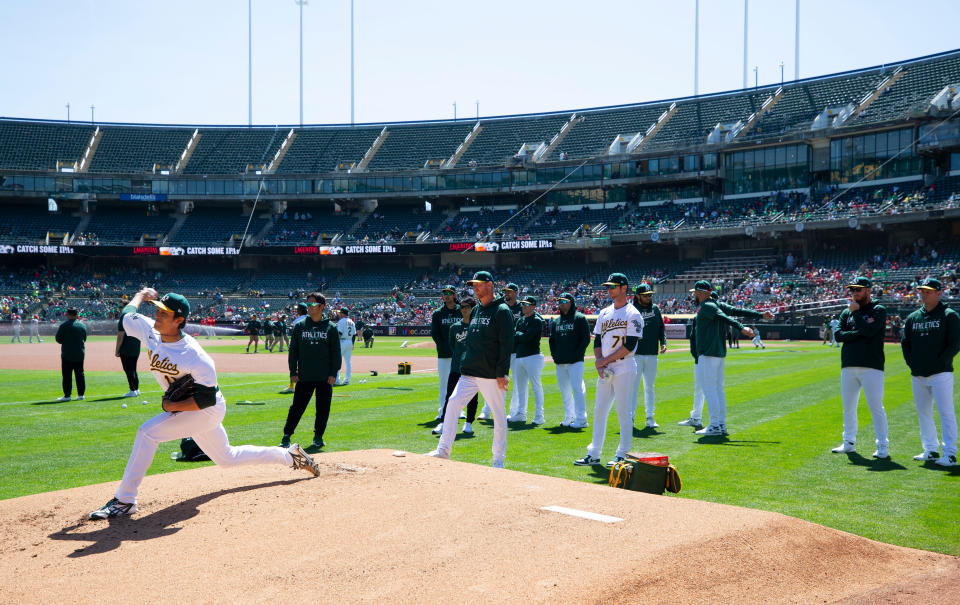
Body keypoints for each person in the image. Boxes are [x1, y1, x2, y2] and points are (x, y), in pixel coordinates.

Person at [88, 288, 320, 520]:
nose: (157, 315)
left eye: (164, 313)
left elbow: (206, 398)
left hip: (206, 410)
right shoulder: (150, 330)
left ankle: (125, 499)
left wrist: (171, 407)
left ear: (179, 320)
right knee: (228, 458)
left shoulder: (194, 356)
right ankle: (290, 456)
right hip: (192, 409)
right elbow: (127, 315)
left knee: (147, 433)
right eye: (158, 310)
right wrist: (140, 295)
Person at [426, 271, 513, 468]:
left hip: (491, 374)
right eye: (473, 284)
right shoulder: (476, 310)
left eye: (479, 284)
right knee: (453, 403)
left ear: (489, 285)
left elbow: (507, 344)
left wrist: (502, 372)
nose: (475, 287)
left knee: (499, 416)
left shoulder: (501, 311)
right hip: (470, 371)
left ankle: (498, 460)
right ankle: (443, 450)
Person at [573, 273, 644, 468]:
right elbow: (597, 340)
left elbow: (629, 345)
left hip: (625, 365)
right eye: (608, 287)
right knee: (599, 410)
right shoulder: (604, 313)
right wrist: (599, 362)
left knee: (624, 411)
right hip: (606, 367)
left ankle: (623, 453)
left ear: (624, 288)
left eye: (613, 286)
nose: (609, 290)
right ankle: (594, 453)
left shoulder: (633, 313)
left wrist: (603, 360)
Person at [830, 277, 891, 459]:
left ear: (868, 291)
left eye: (859, 289)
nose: (855, 293)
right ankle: (848, 442)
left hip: (872, 366)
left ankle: (882, 446)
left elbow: (871, 332)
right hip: (849, 365)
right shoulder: (846, 312)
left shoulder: (878, 310)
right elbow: (839, 335)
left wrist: (857, 315)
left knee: (875, 407)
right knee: (848, 407)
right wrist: (859, 333)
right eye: (853, 290)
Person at [901, 277, 959, 467]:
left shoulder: (949, 315)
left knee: (946, 413)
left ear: (939, 293)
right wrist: (912, 364)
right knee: (923, 413)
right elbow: (905, 343)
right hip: (917, 374)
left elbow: (956, 342)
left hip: (940, 374)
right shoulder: (913, 317)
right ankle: (931, 449)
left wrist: (941, 361)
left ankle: (950, 454)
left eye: (928, 291)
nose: (923, 294)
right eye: (922, 291)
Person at [690, 281, 756, 437]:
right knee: (718, 390)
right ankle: (721, 424)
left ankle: (714, 425)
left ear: (701, 293)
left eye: (696, 292)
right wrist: (760, 315)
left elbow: (726, 317)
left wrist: (741, 327)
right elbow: (736, 311)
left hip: (708, 353)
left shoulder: (707, 306)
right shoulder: (716, 304)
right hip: (719, 354)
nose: (694, 295)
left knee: (710, 389)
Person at [282, 292, 342, 449]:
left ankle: (318, 436)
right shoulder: (300, 326)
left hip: (324, 377)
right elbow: (293, 351)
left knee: (323, 409)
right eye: (307, 304)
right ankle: (287, 435)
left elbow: (336, 353)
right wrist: (292, 372)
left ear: (321, 306)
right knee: (297, 408)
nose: (308, 307)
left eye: (312, 304)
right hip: (304, 376)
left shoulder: (331, 328)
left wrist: (333, 373)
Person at [432, 295, 479, 435]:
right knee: (450, 396)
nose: (463, 309)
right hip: (456, 366)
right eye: (462, 307)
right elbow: (453, 346)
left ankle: (469, 423)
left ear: (473, 308)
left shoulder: (477, 327)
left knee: (472, 397)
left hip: (473, 367)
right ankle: (443, 423)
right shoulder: (455, 327)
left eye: (466, 307)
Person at [480, 282, 523, 421]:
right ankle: (486, 411)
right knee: (491, 380)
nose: (507, 294)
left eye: (510, 291)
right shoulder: (499, 307)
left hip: (516, 350)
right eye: (505, 292)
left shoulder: (522, 308)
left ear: (516, 293)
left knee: (515, 382)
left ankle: (513, 412)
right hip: (499, 350)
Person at [548, 292, 591, 428]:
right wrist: (555, 356)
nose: (561, 303)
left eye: (565, 301)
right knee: (565, 391)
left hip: (575, 362)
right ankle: (569, 417)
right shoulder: (556, 321)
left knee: (578, 389)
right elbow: (552, 341)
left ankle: (581, 419)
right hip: (560, 362)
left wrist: (577, 354)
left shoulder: (579, 318)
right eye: (560, 301)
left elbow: (585, 339)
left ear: (571, 302)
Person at [629, 283, 667, 429]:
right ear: (638, 296)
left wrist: (663, 342)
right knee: (633, 388)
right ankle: (630, 418)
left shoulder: (655, 309)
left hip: (652, 354)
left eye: (650, 295)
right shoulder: (632, 310)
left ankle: (650, 418)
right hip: (635, 355)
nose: (648, 297)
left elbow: (661, 328)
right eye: (645, 295)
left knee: (650, 387)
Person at [508, 296, 546, 424]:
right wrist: (520, 335)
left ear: (533, 306)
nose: (523, 306)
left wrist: (519, 335)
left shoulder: (536, 320)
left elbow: (526, 337)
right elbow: (516, 337)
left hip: (532, 356)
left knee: (536, 386)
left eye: (527, 304)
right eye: (523, 304)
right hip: (520, 356)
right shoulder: (521, 321)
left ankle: (539, 416)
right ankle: (521, 414)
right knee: (520, 387)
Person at [431, 286, 461, 420]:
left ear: (455, 295)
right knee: (444, 383)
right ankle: (443, 410)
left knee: (460, 383)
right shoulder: (438, 313)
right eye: (445, 293)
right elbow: (434, 333)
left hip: (459, 354)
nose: (447, 296)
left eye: (449, 293)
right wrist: (442, 346)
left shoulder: (462, 310)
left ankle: (459, 410)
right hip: (444, 354)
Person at [55, 308, 87, 402]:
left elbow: (58, 339)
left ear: (68, 314)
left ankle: (67, 395)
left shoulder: (64, 325)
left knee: (67, 375)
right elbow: (84, 339)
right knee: (80, 374)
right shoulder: (82, 325)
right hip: (80, 353)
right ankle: (81, 395)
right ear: (76, 314)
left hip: (67, 354)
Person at [281, 303, 309, 393]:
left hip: (300, 346)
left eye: (298, 309)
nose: (297, 311)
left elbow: (295, 335)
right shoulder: (311, 319)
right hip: (310, 346)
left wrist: (292, 346)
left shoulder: (298, 320)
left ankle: (291, 386)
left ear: (300, 310)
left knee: (294, 366)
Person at [116, 309, 141, 398]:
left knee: (128, 370)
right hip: (136, 348)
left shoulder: (124, 318)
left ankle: (132, 390)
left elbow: (120, 336)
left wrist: (117, 350)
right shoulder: (137, 318)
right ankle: (136, 389)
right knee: (133, 369)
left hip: (126, 349)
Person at [335, 308, 356, 385]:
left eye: (340, 313)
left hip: (342, 341)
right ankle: (347, 380)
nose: (339, 314)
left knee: (337, 360)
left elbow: (339, 333)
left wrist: (335, 342)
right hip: (349, 341)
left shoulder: (341, 321)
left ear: (343, 313)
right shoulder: (352, 322)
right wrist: (352, 344)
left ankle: (337, 380)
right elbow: (354, 335)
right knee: (348, 362)